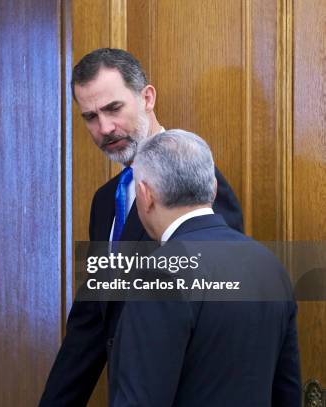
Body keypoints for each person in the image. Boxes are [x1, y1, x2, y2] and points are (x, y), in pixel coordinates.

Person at [39, 48, 243, 405]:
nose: (104, 128)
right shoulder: (105, 202)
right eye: (90, 116)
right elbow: (91, 322)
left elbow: (219, 318)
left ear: (147, 97)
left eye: (113, 109)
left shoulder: (200, 185)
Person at [108, 129, 300, 406]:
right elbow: (287, 394)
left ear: (145, 195)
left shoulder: (159, 274)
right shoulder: (271, 266)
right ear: (212, 188)